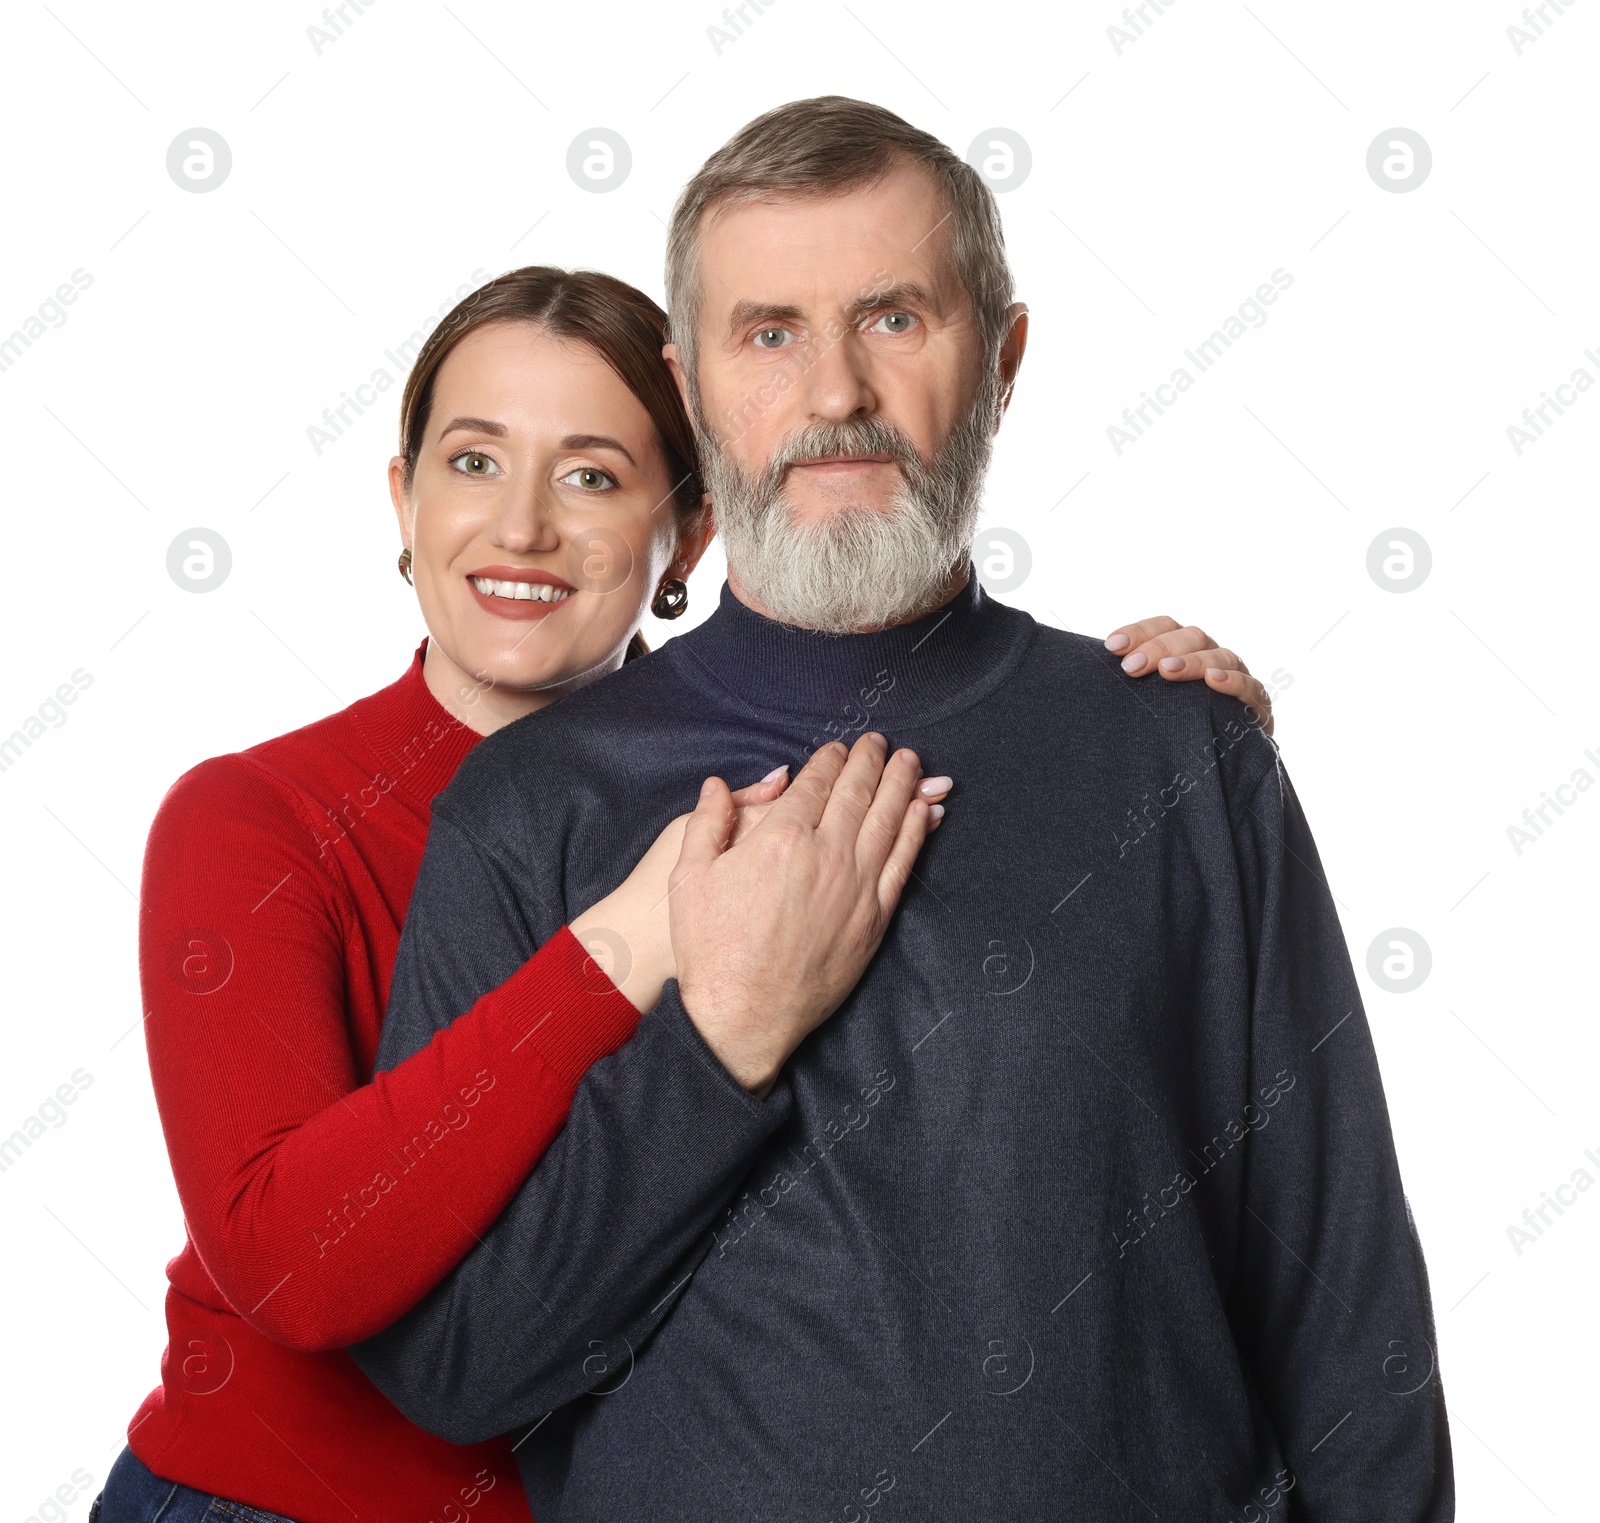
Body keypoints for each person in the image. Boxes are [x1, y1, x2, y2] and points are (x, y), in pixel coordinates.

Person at [352, 99, 1453, 1521]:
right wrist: (716, 1050)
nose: (832, 394)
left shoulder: (1185, 758)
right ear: (690, 390)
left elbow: (1343, 1303)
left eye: (893, 319)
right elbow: (452, 1365)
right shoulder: (530, 809)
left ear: (1000, 361)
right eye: (769, 332)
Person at [94, 263, 1262, 1523]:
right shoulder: (254, 818)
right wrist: (620, 944)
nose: (522, 527)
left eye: (591, 474)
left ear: (691, 532)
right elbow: (292, 1266)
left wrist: (1170, 740)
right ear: (403, 498)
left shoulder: (786, 794)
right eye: (472, 462)